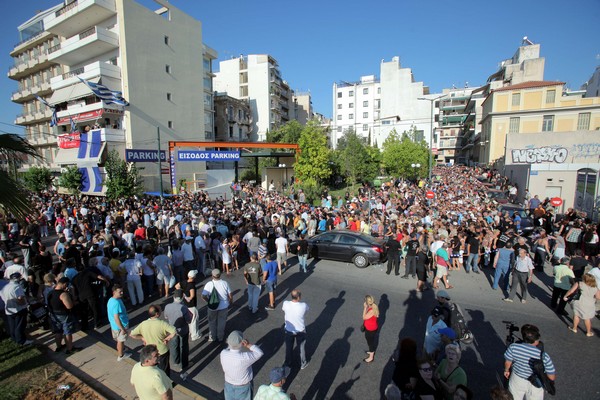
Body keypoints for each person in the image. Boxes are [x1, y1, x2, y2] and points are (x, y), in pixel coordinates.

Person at [504, 324, 556, 400]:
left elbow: (508, 362)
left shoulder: (513, 347)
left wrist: (506, 370)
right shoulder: (543, 356)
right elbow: (551, 375)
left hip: (517, 379)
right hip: (536, 383)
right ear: (537, 339)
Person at [130, 305, 177, 377]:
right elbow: (174, 331)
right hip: (162, 351)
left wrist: (142, 338)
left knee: (153, 368)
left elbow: (132, 334)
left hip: (150, 352)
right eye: (160, 310)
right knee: (164, 369)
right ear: (157, 314)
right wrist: (168, 338)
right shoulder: (162, 323)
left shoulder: (143, 324)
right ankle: (166, 381)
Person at [219, 330, 264, 400]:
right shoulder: (244, 357)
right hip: (243, 387)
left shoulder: (223, 353)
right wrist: (248, 345)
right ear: (241, 343)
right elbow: (259, 353)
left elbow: (229, 348)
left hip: (228, 384)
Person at [164, 289, 192, 380]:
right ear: (182, 298)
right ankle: (184, 364)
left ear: (174, 297)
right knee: (183, 346)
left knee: (174, 345)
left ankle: (176, 361)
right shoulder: (183, 308)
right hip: (183, 329)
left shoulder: (167, 306)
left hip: (172, 329)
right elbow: (189, 320)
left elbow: (166, 316)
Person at [47, 276, 80, 354]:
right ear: (65, 284)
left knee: (58, 332)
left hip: (54, 314)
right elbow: (69, 306)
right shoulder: (63, 294)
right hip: (64, 315)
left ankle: (59, 346)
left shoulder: (51, 292)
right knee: (67, 332)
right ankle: (70, 348)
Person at [0, 272, 32, 346]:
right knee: (19, 326)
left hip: (8, 310)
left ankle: (14, 338)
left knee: (12, 326)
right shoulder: (17, 286)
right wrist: (24, 304)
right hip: (19, 309)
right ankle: (21, 341)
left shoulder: (5, 287)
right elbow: (20, 298)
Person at [201, 268, 232, 342]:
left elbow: (203, 296)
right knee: (222, 321)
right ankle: (220, 337)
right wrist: (230, 302)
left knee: (212, 322)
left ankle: (212, 337)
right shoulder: (225, 283)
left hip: (212, 307)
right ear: (220, 275)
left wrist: (208, 301)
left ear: (212, 276)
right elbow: (230, 295)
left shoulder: (209, 284)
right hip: (224, 306)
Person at [282, 289, 309, 370]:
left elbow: (283, 309)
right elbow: (307, 311)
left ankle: (288, 363)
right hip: (300, 330)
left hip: (289, 330)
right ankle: (302, 363)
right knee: (301, 347)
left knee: (289, 347)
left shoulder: (286, 303)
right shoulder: (304, 305)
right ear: (299, 297)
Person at [107, 284, 131, 361]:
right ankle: (121, 355)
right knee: (121, 340)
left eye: (122, 291)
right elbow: (116, 318)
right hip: (120, 326)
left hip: (114, 326)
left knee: (119, 340)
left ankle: (121, 350)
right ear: (114, 292)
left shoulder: (111, 300)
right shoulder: (116, 303)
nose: (122, 293)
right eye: (120, 292)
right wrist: (122, 329)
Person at [178, 270, 200, 341]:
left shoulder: (184, 282)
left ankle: (190, 332)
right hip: (191, 305)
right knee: (194, 320)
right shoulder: (191, 285)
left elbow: (176, 286)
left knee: (188, 320)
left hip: (185, 305)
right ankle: (194, 335)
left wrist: (183, 294)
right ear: (194, 277)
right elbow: (192, 296)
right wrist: (188, 298)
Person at [362, 294, 379, 363]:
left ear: (367, 302)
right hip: (372, 328)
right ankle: (371, 351)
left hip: (370, 330)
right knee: (370, 341)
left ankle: (371, 357)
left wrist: (364, 308)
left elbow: (364, 317)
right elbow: (377, 315)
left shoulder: (372, 310)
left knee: (370, 343)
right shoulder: (374, 306)